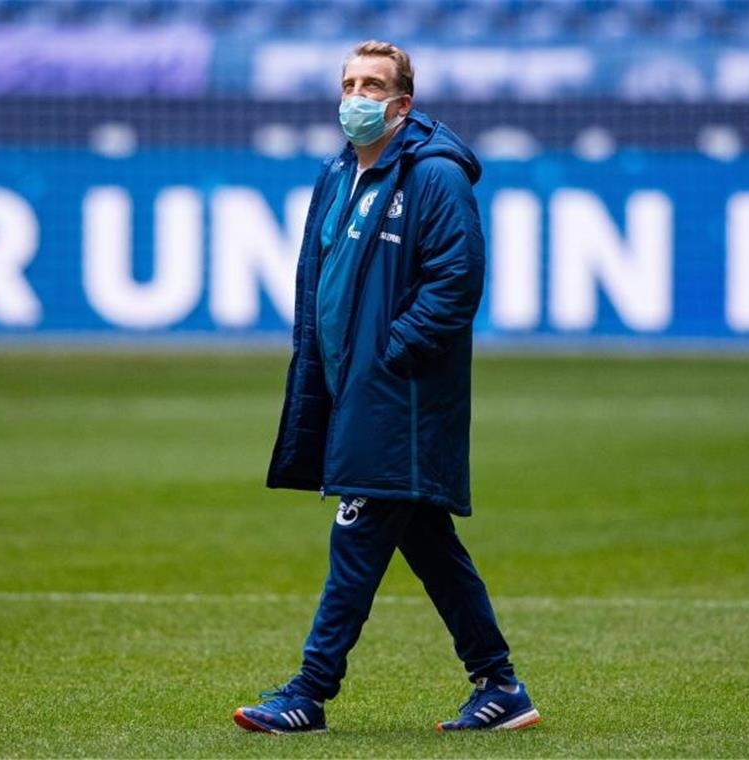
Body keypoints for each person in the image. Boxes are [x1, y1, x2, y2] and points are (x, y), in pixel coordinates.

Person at [231, 40, 540, 734]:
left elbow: (456, 282)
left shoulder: (435, 177)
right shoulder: (337, 173)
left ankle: (309, 692)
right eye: (348, 83)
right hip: (349, 387)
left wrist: (391, 355)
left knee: (357, 538)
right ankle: (501, 686)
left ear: (403, 103)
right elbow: (324, 279)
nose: (356, 97)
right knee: (428, 543)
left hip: (398, 393)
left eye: (372, 85)